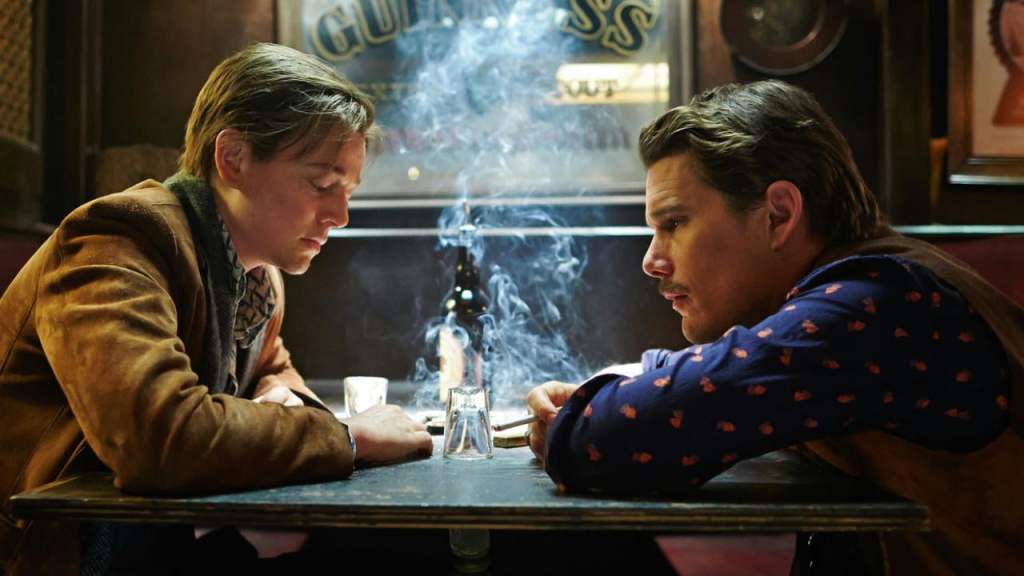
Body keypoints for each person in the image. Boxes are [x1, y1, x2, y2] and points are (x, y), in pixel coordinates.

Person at [526, 80, 1024, 575]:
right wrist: (627, 381)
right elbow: (728, 374)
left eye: (674, 223)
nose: (651, 261)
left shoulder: (868, 310)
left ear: (778, 215)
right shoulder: (872, 294)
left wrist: (591, 408)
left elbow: (598, 441)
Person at [0, 42, 433, 574]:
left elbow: (271, 367)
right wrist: (349, 437)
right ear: (233, 159)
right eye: (322, 184)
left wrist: (280, 398)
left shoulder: (258, 274)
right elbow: (159, 437)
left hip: (151, 528)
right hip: (58, 548)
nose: (340, 215)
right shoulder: (119, 239)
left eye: (347, 191)